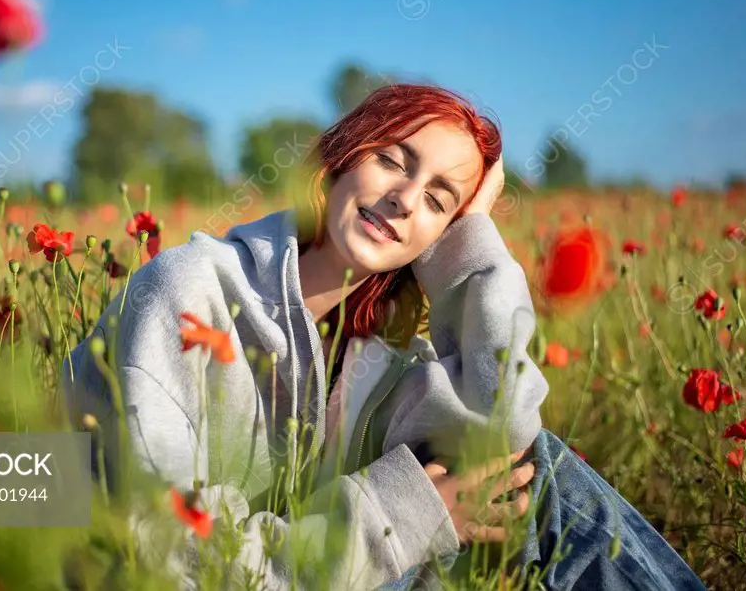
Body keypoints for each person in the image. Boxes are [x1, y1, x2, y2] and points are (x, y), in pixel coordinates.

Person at [61, 84, 706, 590]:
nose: (404, 199)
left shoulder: (381, 348)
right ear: (341, 158)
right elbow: (171, 557)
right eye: (393, 161)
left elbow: (506, 433)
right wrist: (404, 516)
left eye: (438, 201)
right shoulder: (188, 289)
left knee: (535, 472)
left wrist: (472, 247)